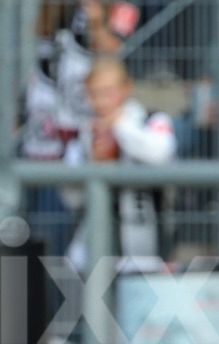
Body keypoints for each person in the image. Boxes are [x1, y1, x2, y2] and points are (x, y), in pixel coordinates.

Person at [64, 57, 176, 272]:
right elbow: (71, 198)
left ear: (126, 88)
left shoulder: (152, 121)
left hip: (146, 249)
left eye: (108, 92)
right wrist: (92, 162)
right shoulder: (84, 134)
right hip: (93, 251)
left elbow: (160, 153)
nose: (100, 101)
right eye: (93, 94)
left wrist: (118, 127)